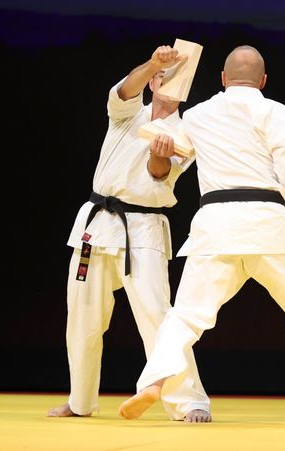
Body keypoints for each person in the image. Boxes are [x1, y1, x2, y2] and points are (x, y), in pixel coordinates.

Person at [119, 45, 285, 425]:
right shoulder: (275, 112)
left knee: (185, 316)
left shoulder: (198, 115)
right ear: (263, 81)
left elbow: (165, 159)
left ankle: (154, 381)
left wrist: (160, 144)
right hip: (269, 226)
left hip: (216, 226)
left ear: (223, 79)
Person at [47, 45, 211, 423]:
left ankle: (190, 401)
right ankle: (80, 401)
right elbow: (123, 91)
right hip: (95, 225)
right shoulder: (126, 115)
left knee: (159, 316)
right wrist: (154, 63)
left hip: (143, 228)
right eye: (161, 77)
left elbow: (159, 174)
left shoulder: (186, 133)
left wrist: (158, 153)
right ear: (153, 82)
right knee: (82, 318)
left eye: (177, 80)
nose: (168, 84)